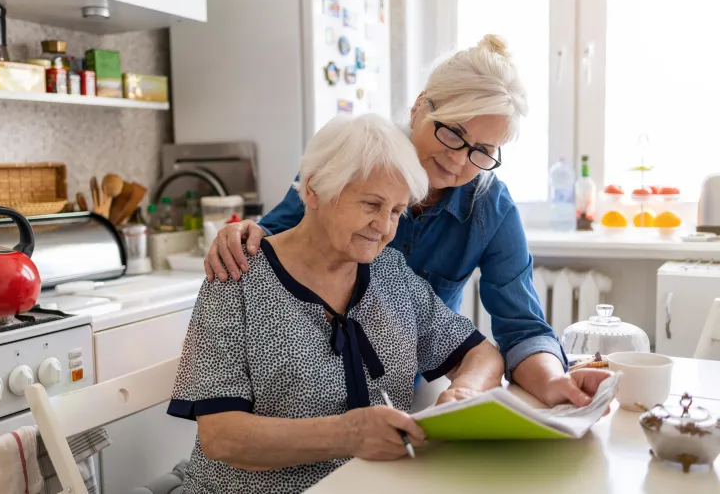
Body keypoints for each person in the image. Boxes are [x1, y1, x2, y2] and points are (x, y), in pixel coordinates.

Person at [203, 34, 612, 408]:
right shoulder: (351, 159)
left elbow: (522, 328)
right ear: (421, 106)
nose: (457, 159)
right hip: (305, 392)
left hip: (405, 390)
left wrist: (555, 381)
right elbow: (276, 240)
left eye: (482, 150)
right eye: (453, 132)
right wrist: (242, 233)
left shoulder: (491, 208)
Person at [168, 113, 504, 493]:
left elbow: (482, 355)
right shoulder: (237, 277)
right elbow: (222, 437)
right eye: (371, 204)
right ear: (314, 190)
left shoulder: (390, 273)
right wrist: (349, 434)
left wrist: (467, 392)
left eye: (396, 211)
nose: (384, 227)